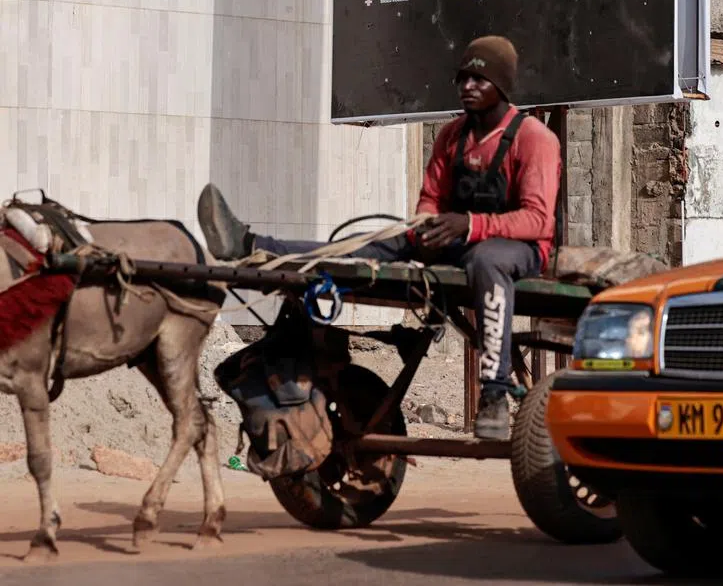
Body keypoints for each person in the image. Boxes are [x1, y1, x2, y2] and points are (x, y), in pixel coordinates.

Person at [196, 35, 560, 442]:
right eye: (464, 78)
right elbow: (430, 200)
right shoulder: (452, 136)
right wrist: (426, 227)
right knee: (364, 246)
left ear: (502, 86)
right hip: (455, 241)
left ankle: (493, 394)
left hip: (515, 250)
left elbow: (537, 220)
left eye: (480, 79)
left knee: (487, 262)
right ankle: (251, 245)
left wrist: (470, 226)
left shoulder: (534, 139)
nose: (468, 87)